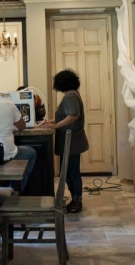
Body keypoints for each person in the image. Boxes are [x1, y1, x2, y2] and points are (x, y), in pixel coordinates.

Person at [38, 69, 89, 213]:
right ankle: (75, 199)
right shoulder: (72, 94)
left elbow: (73, 116)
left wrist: (56, 126)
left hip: (72, 141)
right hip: (71, 141)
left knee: (71, 172)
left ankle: (77, 201)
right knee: (68, 172)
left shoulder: (70, 95)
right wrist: (49, 121)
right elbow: (66, 115)